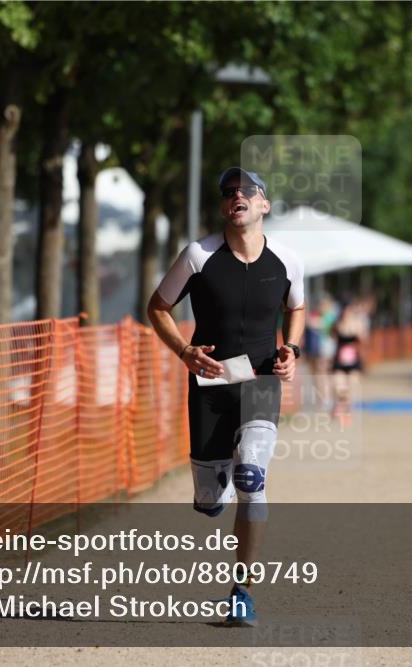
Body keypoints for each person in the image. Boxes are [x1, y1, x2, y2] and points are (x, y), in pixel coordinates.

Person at [146, 166, 305, 626]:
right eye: (228, 193)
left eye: (246, 191)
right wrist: (184, 350)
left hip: (260, 382)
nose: (236, 197)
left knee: (252, 479)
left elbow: (298, 307)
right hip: (210, 385)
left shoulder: (288, 261)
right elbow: (157, 307)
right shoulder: (198, 256)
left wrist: (291, 350)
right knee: (209, 497)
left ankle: (242, 591)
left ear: (264, 205)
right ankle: (210, 491)